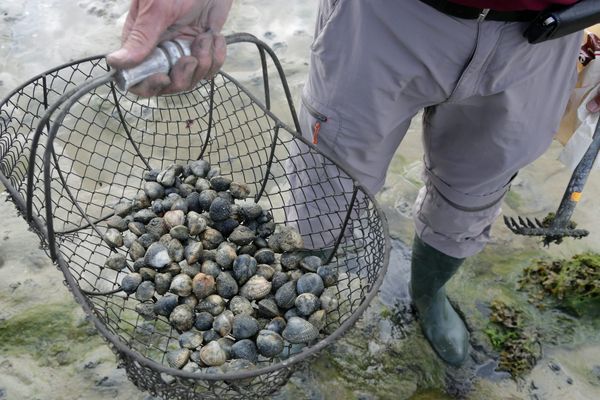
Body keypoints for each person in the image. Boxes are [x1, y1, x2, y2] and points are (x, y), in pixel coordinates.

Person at [108, 0, 598, 366]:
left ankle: (429, 295)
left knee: (476, 191)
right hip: (385, 16)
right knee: (330, 180)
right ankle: (314, 292)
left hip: (548, 33)